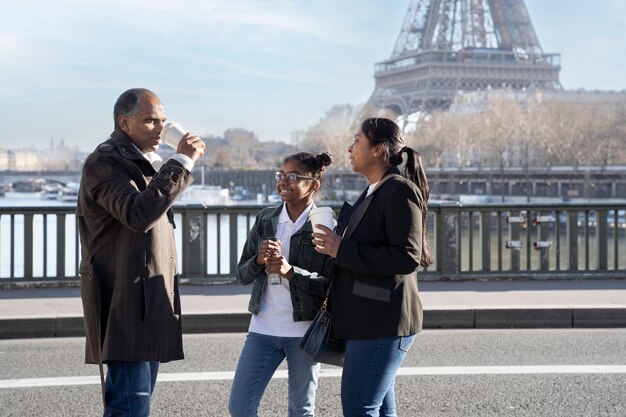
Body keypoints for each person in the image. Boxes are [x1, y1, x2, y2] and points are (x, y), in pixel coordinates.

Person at [77, 88, 206, 416]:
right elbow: (138, 215)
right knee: (130, 407)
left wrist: (170, 164)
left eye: (162, 120)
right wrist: (181, 162)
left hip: (147, 298)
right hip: (123, 299)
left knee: (137, 404)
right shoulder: (105, 161)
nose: (160, 128)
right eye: (150, 121)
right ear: (124, 122)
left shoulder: (145, 161)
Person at [312, 117, 432, 417]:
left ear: (378, 150)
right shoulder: (375, 191)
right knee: (375, 409)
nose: (349, 147)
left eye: (357, 141)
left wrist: (343, 248)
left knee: (359, 408)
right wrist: (336, 246)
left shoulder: (398, 190)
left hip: (383, 320)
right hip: (371, 318)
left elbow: (407, 257)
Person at [229, 152, 335, 417]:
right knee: (240, 408)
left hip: (305, 332)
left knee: (301, 410)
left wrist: (291, 272)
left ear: (313, 184)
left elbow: (331, 286)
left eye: (293, 176)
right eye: (281, 175)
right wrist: (258, 260)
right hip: (262, 328)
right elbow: (242, 275)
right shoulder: (266, 218)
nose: (283, 181)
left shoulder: (325, 223)